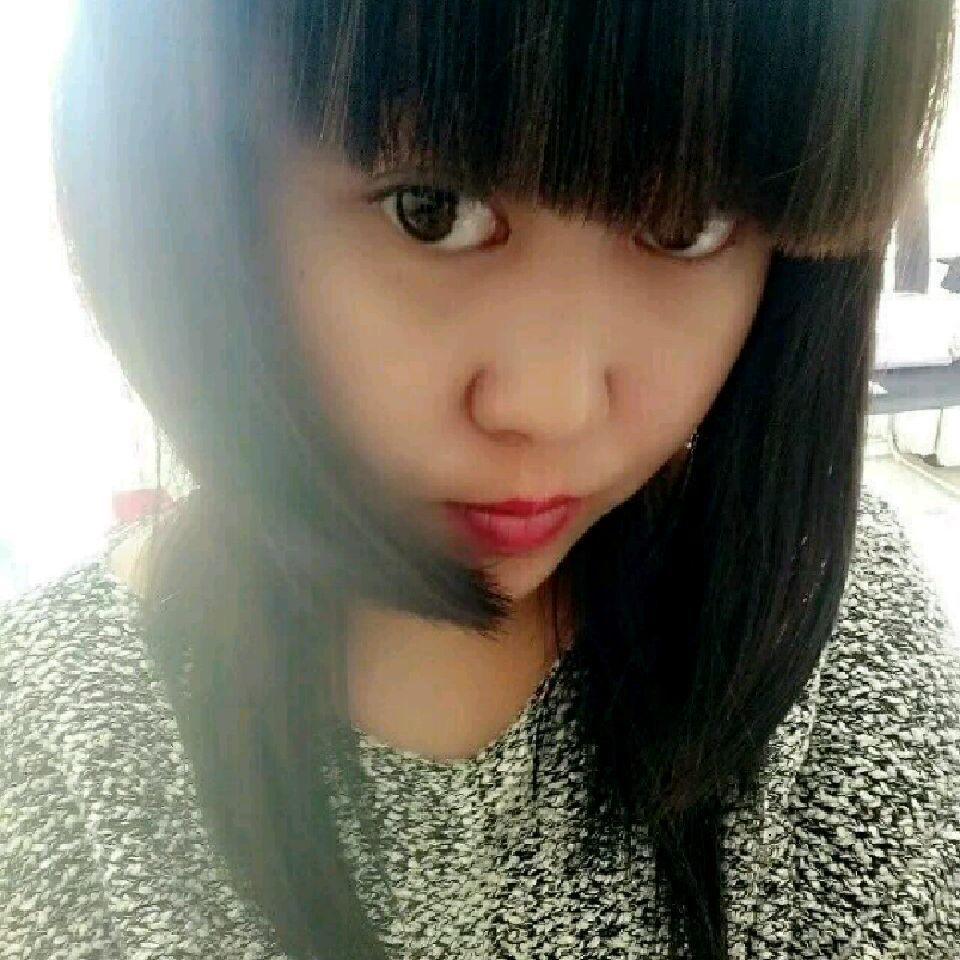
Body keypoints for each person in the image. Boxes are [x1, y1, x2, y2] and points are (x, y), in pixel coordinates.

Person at [2, 2, 959, 958]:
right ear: (193, 191)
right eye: (431, 209)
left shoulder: (837, 624)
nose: (552, 405)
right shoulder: (44, 741)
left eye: (684, 227)